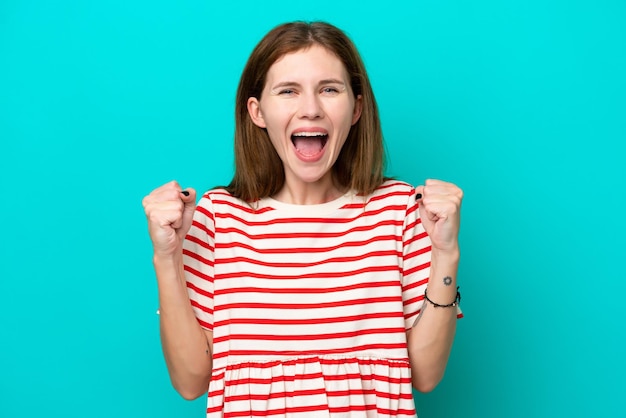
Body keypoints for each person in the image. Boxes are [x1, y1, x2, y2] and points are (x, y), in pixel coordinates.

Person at [142, 21, 463, 418]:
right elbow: (191, 382)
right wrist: (166, 258)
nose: (310, 108)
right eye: (288, 91)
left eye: (329, 89)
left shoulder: (398, 211)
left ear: (357, 107)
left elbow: (426, 375)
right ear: (258, 112)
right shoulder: (216, 218)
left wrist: (446, 252)